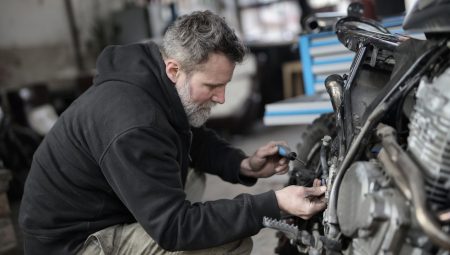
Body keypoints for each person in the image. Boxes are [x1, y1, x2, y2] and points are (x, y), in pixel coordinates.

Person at [19, 10, 326, 255]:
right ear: (174, 70)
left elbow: (190, 135)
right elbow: (176, 228)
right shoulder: (134, 124)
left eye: (225, 85)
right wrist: (275, 203)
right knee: (228, 243)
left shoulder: (155, 79)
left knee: (195, 177)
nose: (221, 98)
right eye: (212, 86)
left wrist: (243, 165)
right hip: (74, 243)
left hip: (101, 210)